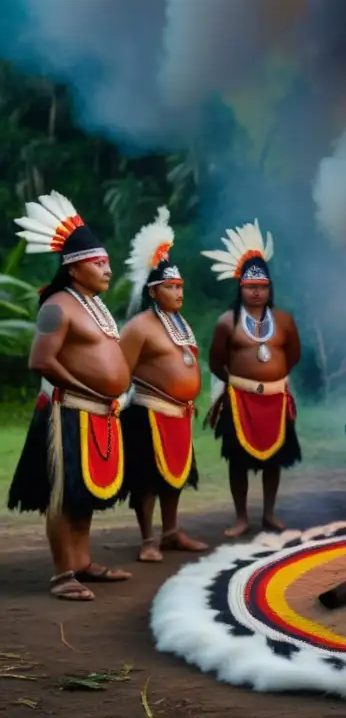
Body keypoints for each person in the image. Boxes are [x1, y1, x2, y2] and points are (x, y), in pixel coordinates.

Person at [7, 191, 132, 600]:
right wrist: (90, 389)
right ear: (75, 269)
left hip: (98, 412)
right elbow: (40, 362)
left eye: (108, 262)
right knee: (63, 494)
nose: (107, 269)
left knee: (82, 494)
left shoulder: (94, 306)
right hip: (68, 412)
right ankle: (63, 574)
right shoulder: (57, 306)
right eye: (99, 262)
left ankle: (82, 563)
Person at [118, 207, 207, 562]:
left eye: (180, 286)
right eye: (171, 287)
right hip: (146, 412)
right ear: (154, 292)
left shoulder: (181, 323)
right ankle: (148, 540)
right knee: (147, 481)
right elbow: (120, 371)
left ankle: (171, 532)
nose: (178, 291)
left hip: (179, 414)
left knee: (176, 477)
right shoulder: (139, 327)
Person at [203, 221, 303, 537]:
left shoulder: (284, 321)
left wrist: (273, 379)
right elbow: (215, 362)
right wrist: (240, 385)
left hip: (275, 398)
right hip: (240, 399)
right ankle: (241, 517)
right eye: (250, 286)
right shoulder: (226, 323)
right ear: (240, 287)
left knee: (274, 460)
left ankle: (270, 513)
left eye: (262, 285)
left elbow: (293, 355)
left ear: (269, 287)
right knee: (238, 460)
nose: (256, 291)